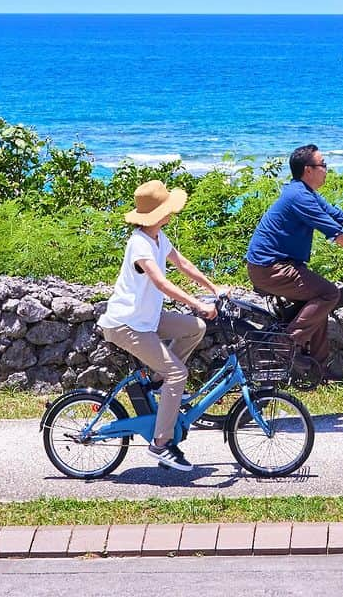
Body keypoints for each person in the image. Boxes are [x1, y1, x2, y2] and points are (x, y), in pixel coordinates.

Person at [98, 179, 225, 473]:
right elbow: (161, 281)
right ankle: (161, 443)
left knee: (195, 328)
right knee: (178, 373)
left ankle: (156, 380)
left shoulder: (158, 237)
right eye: (167, 208)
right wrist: (198, 304)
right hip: (127, 324)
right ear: (157, 214)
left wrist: (214, 288)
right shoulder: (139, 244)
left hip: (148, 319)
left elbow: (183, 264)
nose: (171, 213)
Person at [245, 144, 343, 372]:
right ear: (308, 170)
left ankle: (316, 370)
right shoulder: (299, 197)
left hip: (278, 265)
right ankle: (285, 343)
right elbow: (336, 233)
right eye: (323, 165)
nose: (327, 169)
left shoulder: (305, 192)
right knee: (329, 293)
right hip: (270, 268)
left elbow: (340, 217)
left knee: (318, 307)